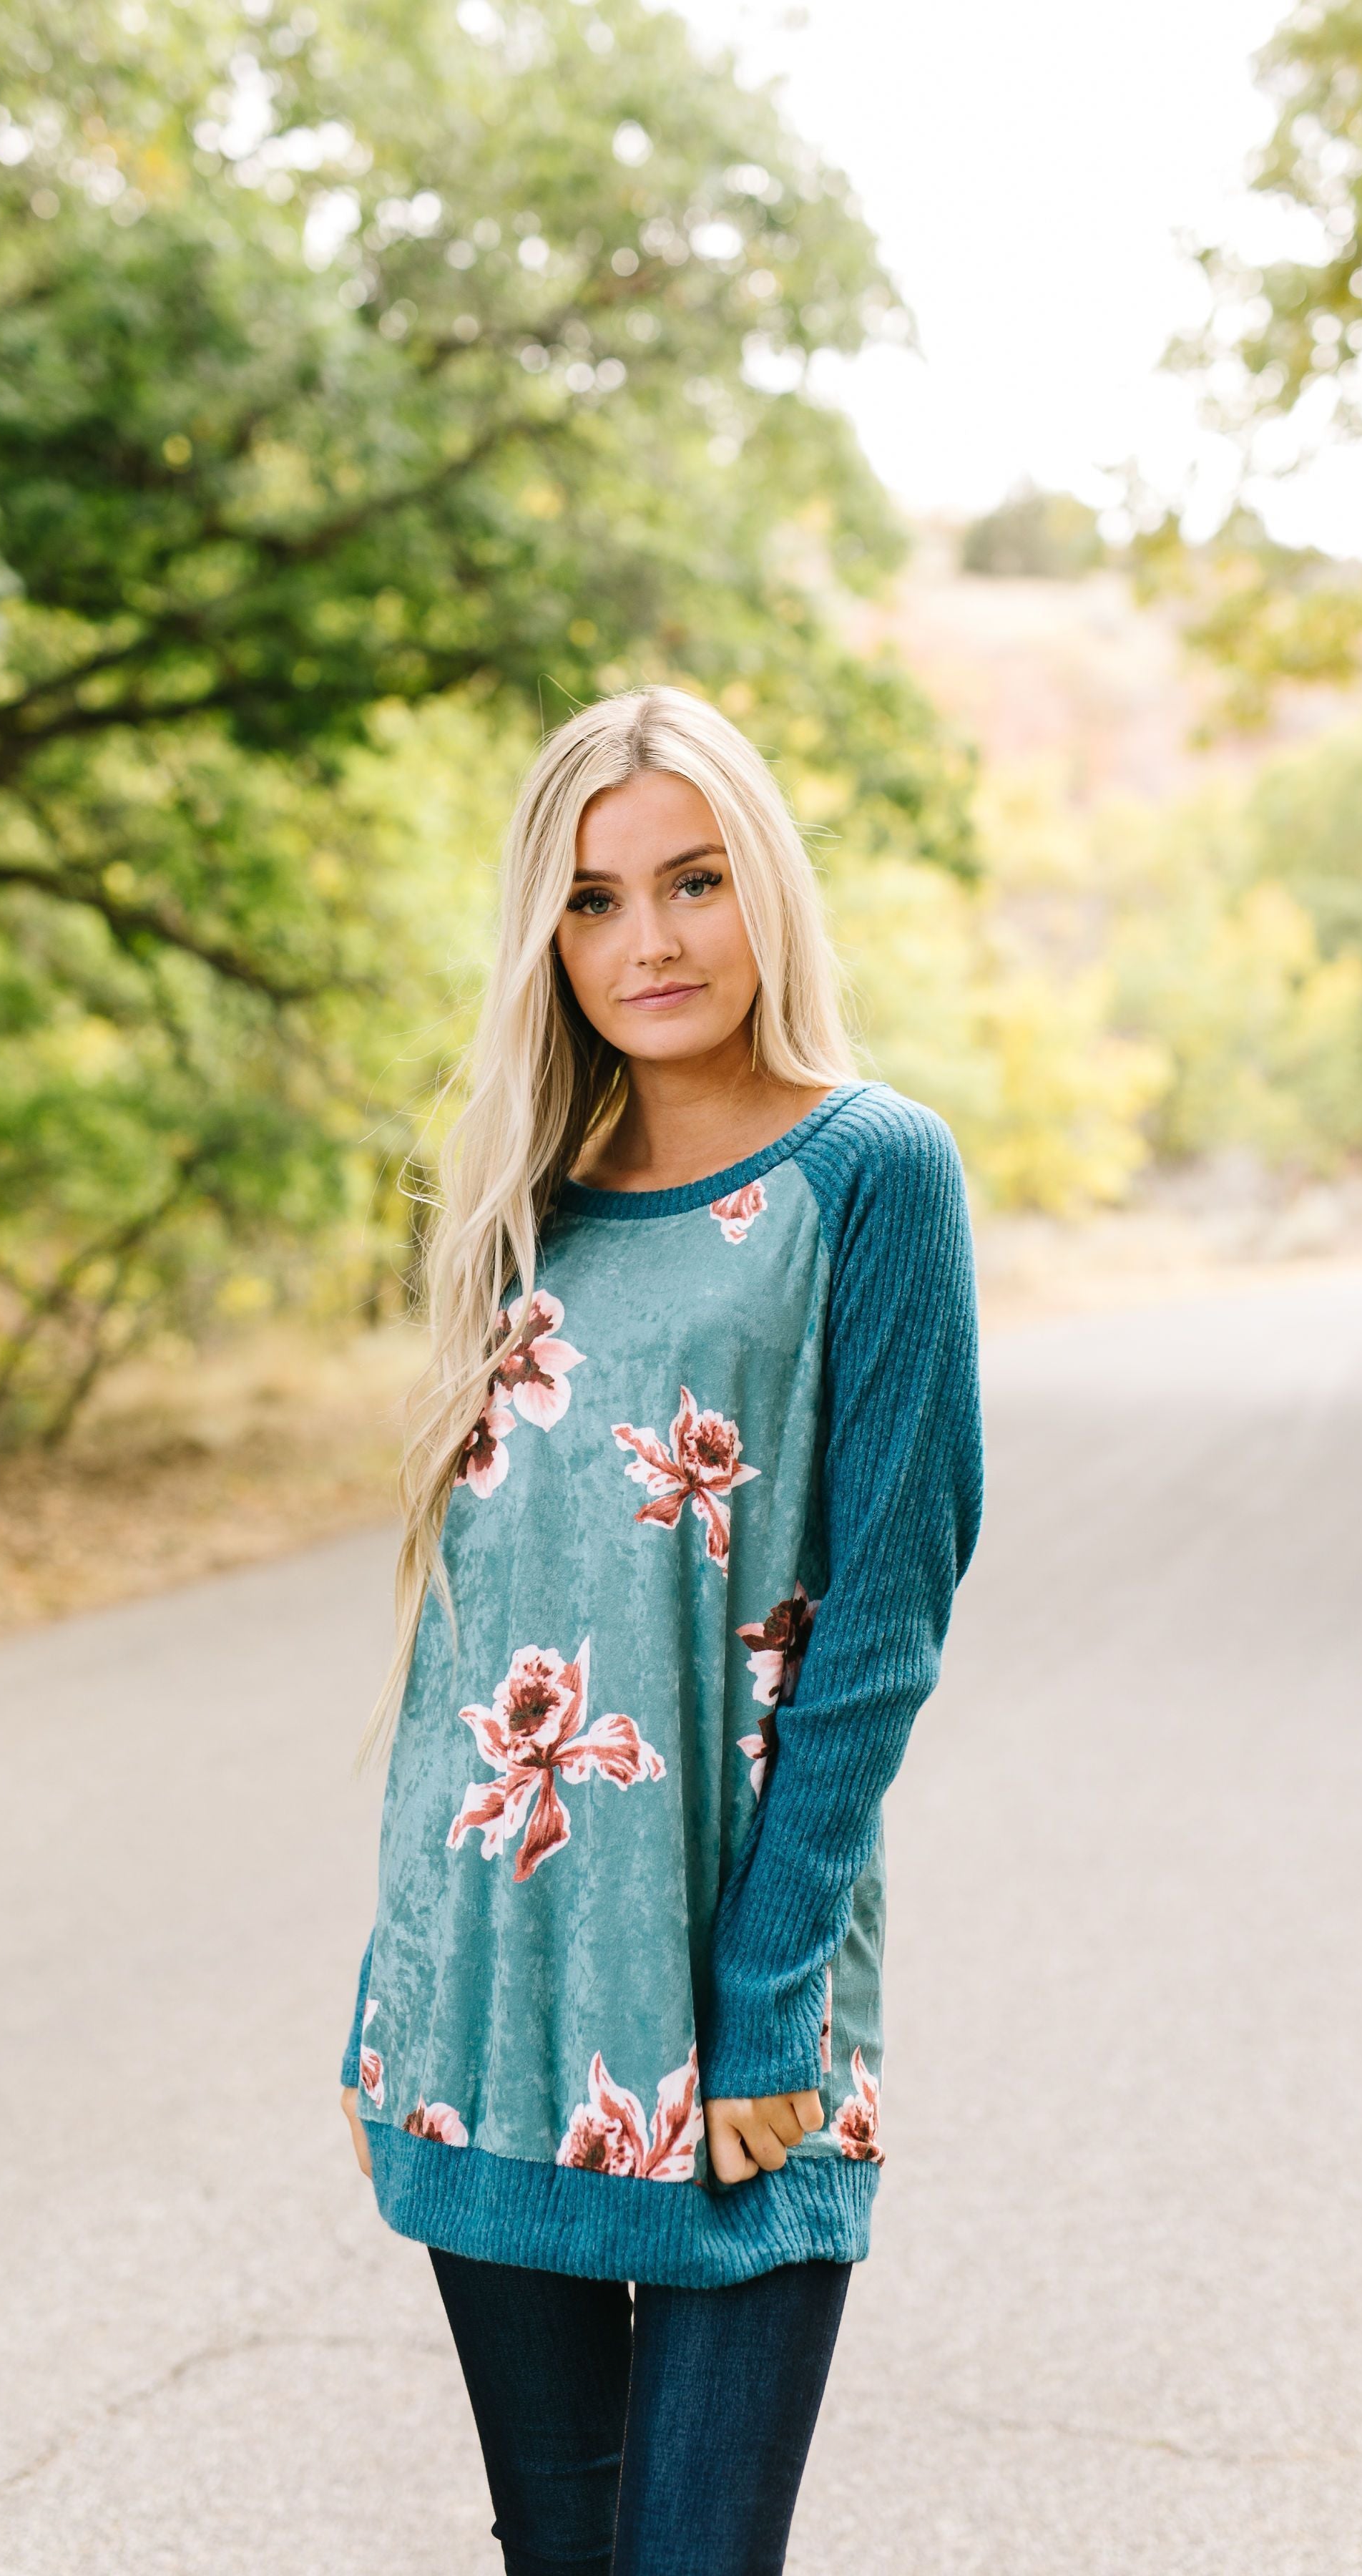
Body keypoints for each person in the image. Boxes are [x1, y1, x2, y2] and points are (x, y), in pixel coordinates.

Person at [338, 686, 983, 2575]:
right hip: (490, 2007)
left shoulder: (871, 1173)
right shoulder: (515, 1208)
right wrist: (399, 1968)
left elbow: (880, 1623)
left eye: (692, 881)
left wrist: (774, 1987)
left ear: (759, 885)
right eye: (597, 900)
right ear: (547, 935)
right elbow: (478, 1643)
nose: (653, 940)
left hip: (735, 2020)